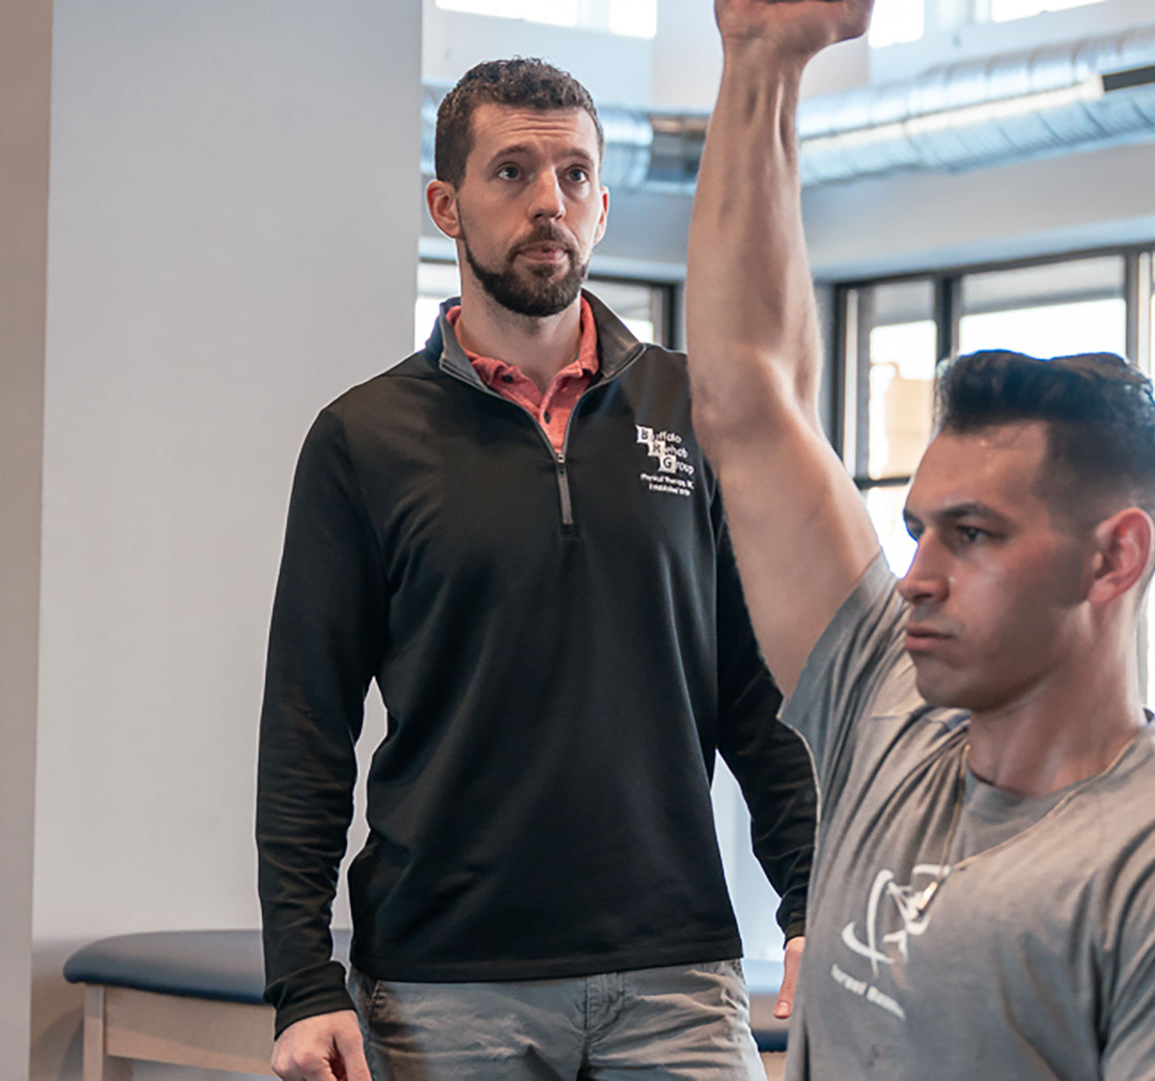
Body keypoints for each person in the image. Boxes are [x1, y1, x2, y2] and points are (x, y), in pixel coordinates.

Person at [682, 2, 1155, 1078]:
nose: (919, 577)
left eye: (973, 535)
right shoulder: (886, 713)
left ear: (1113, 558)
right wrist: (762, 56)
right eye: (918, 530)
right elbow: (748, 399)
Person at [257, 57, 818, 1081]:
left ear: (602, 206)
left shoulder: (695, 410)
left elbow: (754, 688)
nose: (546, 203)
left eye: (571, 175)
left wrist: (811, 899)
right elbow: (307, 722)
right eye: (511, 172)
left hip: (677, 972)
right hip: (445, 984)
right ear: (447, 205)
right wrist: (302, 979)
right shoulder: (362, 439)